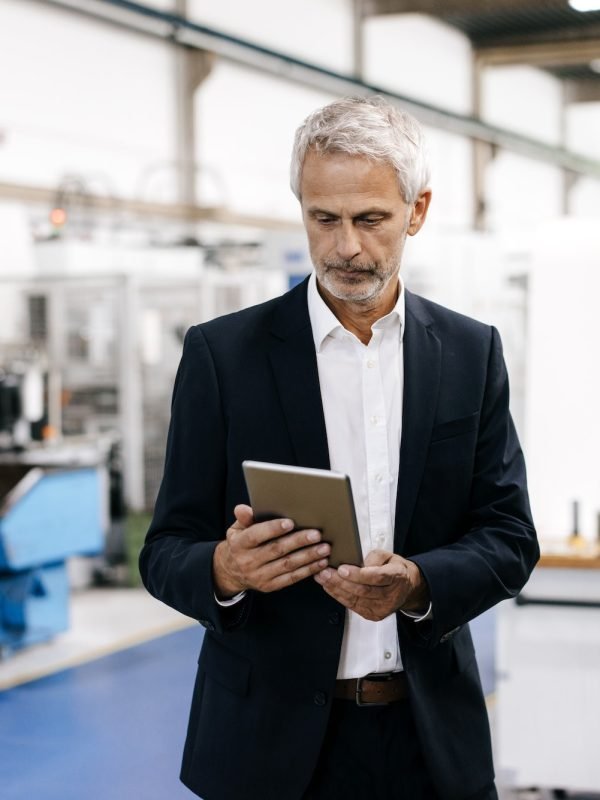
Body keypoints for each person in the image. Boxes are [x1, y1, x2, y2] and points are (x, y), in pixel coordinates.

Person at [139, 96, 538, 800]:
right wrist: (226, 571)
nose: (345, 246)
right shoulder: (223, 356)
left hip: (428, 742)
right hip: (266, 749)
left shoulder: (472, 354)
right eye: (323, 218)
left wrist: (417, 583)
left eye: (370, 219)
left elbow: (508, 537)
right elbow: (166, 546)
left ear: (416, 212)